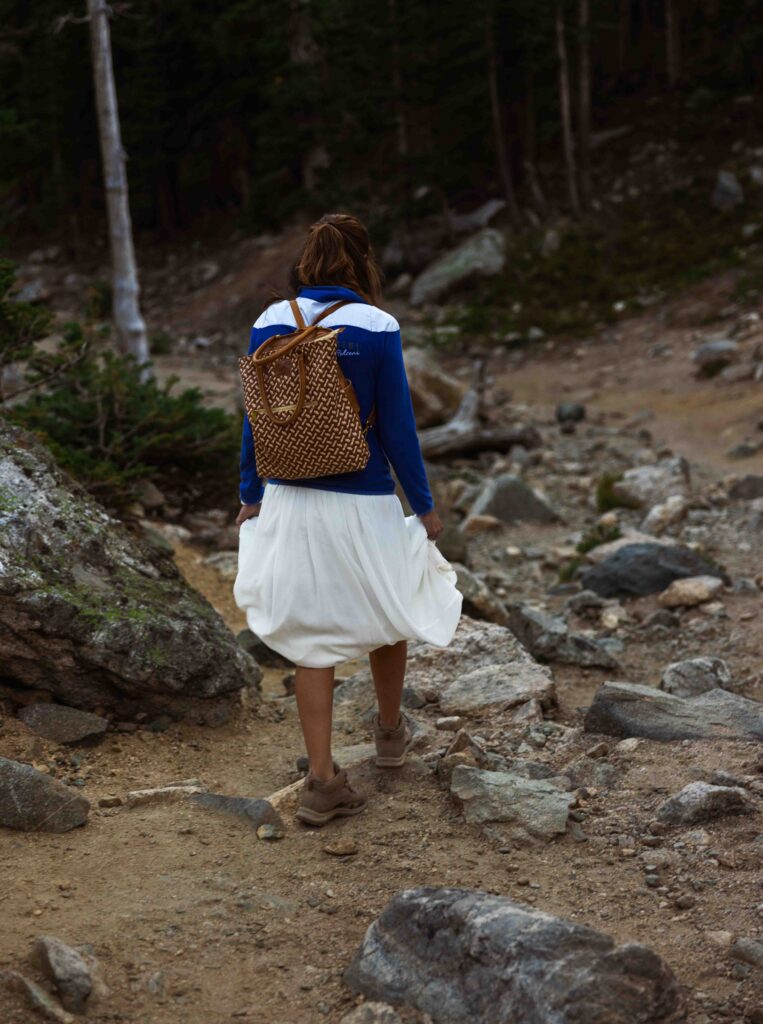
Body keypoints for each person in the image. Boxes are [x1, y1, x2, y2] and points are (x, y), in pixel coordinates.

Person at [233, 213, 462, 826]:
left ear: (308, 261)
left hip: (289, 498)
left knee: (313, 638)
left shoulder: (269, 320)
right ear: (363, 265)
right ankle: (389, 737)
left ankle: (322, 780)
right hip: (362, 497)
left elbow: (259, 417)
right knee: (389, 610)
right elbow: (397, 425)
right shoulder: (377, 324)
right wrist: (422, 502)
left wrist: (250, 491)